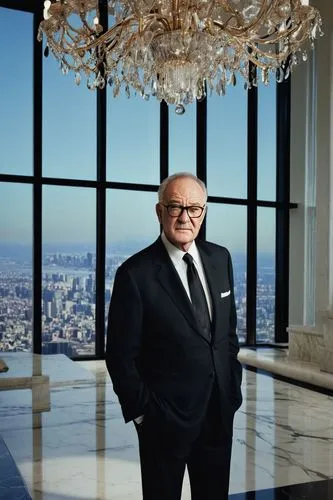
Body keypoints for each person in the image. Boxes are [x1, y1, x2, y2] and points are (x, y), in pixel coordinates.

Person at [106, 172, 242, 500]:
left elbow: (228, 334)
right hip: (163, 421)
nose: (185, 217)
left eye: (194, 208)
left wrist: (231, 389)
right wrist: (144, 415)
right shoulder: (135, 274)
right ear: (159, 211)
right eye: (175, 207)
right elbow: (120, 356)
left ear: (204, 212)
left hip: (218, 414)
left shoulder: (220, 258)